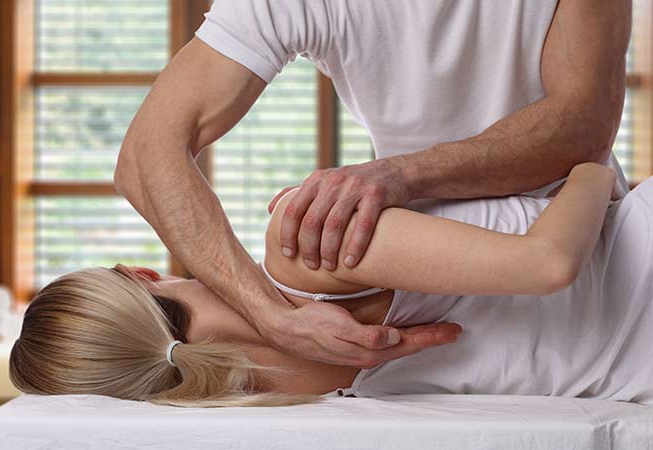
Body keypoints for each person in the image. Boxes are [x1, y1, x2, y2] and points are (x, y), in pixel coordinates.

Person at [114, 0, 631, 368]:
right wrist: (272, 317)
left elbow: (584, 125)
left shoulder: (311, 267)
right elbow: (146, 155)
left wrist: (401, 173)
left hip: (582, 231)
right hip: (427, 247)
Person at [11, 162, 653, 406]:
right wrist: (588, 172)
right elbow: (547, 266)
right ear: (140, 273)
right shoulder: (302, 254)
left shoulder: (279, 406)